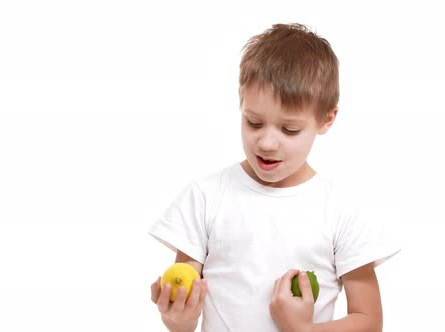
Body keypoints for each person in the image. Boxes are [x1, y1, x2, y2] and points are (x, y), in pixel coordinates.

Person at [149, 23, 399, 332]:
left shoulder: (340, 210)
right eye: (254, 122)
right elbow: (183, 314)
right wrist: (178, 319)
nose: (266, 143)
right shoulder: (205, 196)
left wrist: (303, 330)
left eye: (289, 129)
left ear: (326, 119)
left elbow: (369, 321)